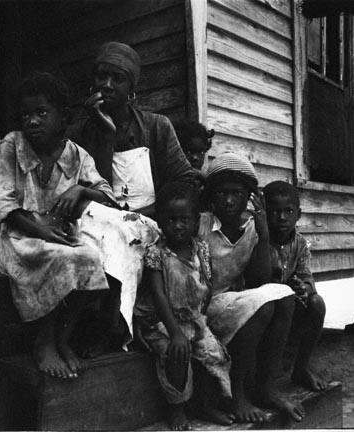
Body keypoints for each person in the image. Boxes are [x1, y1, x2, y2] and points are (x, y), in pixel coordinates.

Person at [0, 71, 119, 379]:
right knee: (67, 257)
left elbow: (108, 195)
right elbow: (3, 203)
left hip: (62, 237)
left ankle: (62, 336)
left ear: (63, 118)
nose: (32, 121)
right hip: (22, 236)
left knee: (95, 259)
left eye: (42, 113)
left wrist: (82, 190)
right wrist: (41, 230)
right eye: (26, 114)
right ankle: (45, 341)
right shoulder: (12, 146)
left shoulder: (76, 154)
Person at [199, 153, 305, 423]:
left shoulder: (252, 227)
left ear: (249, 196)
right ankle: (237, 394)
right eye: (222, 193)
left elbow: (260, 280)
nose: (229, 200)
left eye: (237, 193)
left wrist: (263, 233)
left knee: (284, 294)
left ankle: (266, 386)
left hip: (232, 301)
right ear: (212, 196)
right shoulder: (202, 224)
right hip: (203, 304)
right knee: (261, 304)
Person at [134, 182, 232, 431]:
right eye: (171, 219)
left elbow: (206, 284)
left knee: (214, 353)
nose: (178, 225)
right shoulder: (156, 252)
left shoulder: (201, 249)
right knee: (176, 352)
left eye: (184, 220)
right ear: (160, 221)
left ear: (196, 221)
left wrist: (199, 321)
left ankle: (205, 405)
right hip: (161, 319)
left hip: (192, 317)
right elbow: (158, 294)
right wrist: (176, 332)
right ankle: (176, 407)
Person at [66, 41, 195, 218]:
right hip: (96, 228)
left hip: (150, 224)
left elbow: (185, 183)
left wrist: (136, 217)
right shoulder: (77, 134)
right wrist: (106, 136)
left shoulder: (157, 127)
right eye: (102, 76)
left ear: (131, 89)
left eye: (118, 79)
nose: (107, 85)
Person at [263, 180, 327, 392]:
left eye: (288, 211)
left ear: (298, 214)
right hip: (265, 308)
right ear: (264, 212)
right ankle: (267, 379)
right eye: (274, 212)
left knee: (317, 303)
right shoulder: (259, 239)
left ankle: (301, 368)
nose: (281, 217)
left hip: (290, 307)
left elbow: (306, 276)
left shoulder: (299, 243)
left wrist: (304, 288)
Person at [174, 120, 214, 196]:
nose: (195, 158)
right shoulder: (171, 179)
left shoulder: (202, 181)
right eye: (188, 152)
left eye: (201, 152)